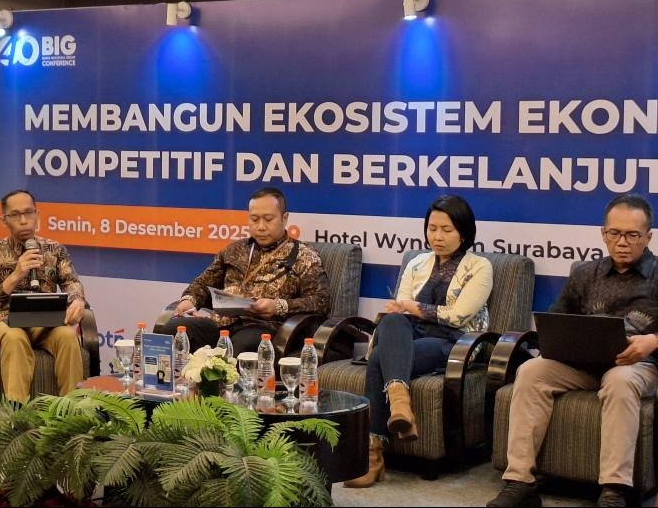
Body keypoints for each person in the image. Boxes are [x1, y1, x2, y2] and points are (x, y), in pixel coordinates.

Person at [487, 193, 658, 508]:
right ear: (603, 234)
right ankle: (520, 482)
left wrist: (654, 341)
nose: (622, 242)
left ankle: (614, 490)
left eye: (632, 235)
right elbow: (556, 319)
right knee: (531, 371)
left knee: (620, 381)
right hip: (582, 364)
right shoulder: (585, 273)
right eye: (615, 233)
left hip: (637, 366)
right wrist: (557, 342)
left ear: (648, 237)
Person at [345, 194, 492, 488]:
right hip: (411, 335)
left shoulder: (480, 266)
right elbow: (401, 308)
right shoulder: (417, 263)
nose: (437, 236)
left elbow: (458, 316)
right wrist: (404, 310)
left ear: (464, 233)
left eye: (446, 229)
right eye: (432, 228)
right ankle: (400, 403)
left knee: (379, 357)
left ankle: (374, 456)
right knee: (392, 321)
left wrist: (412, 307)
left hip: (454, 343)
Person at [156, 187, 331, 355]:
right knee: (173, 330)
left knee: (242, 346)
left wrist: (278, 306)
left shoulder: (303, 255)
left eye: (268, 219)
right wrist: (189, 300)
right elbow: (203, 283)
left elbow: (321, 300)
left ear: (284, 218)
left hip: (265, 328)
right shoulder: (234, 250)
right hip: (221, 325)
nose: (261, 227)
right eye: (254, 219)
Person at [0, 189, 86, 402]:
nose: (23, 221)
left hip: (44, 322)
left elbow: (71, 282)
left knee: (68, 337)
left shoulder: (54, 249)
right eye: (15, 215)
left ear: (37, 215)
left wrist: (77, 300)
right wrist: (15, 276)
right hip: (4, 322)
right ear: (4, 220)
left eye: (28, 213)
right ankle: (17, 415)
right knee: (15, 339)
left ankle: (71, 411)